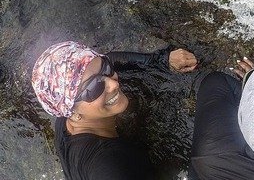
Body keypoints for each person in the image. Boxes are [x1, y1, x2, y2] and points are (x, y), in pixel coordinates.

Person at [31, 41, 199, 180]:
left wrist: (161, 60)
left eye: (105, 68)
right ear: (72, 112)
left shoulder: (65, 119)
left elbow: (111, 58)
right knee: (217, 83)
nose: (114, 84)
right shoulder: (108, 165)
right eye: (94, 87)